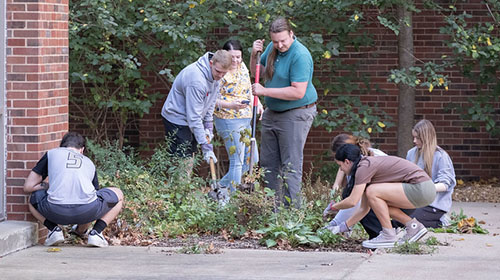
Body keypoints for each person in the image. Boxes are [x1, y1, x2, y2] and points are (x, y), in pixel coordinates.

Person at [250, 17, 318, 208]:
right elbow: (259, 73)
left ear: (291, 34)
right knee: (268, 164)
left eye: (283, 41)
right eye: (275, 41)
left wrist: (264, 92)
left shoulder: (300, 55)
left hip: (296, 113)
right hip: (273, 112)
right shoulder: (273, 50)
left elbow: (298, 92)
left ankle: (293, 214)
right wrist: (254, 55)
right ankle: (274, 210)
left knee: (290, 165)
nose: (280, 45)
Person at [325, 143, 436, 249]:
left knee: (372, 191)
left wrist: (333, 207)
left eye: (340, 166)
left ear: (347, 162)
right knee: (378, 201)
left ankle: (388, 235)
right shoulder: (365, 166)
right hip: (424, 190)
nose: (341, 170)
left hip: (421, 188)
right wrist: (342, 227)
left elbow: (353, 201)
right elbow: (364, 208)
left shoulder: (363, 167)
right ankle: (414, 226)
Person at [24, 132, 124, 247]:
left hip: (55, 211)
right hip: (87, 211)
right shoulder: (89, 162)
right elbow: (93, 195)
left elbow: (28, 187)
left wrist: (47, 185)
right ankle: (95, 233)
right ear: (82, 149)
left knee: (33, 199)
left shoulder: (52, 154)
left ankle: (54, 230)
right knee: (118, 195)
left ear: (61, 147)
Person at [161, 50, 232, 168]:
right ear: (211, 63)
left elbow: (210, 106)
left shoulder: (216, 78)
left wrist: (208, 129)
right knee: (184, 161)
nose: (220, 76)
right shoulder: (196, 80)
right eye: (218, 71)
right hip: (176, 118)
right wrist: (206, 146)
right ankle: (181, 186)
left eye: (224, 73)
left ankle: (184, 184)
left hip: (192, 118)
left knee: (190, 157)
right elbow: (194, 117)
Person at [214, 40, 263, 193]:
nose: (235, 61)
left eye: (238, 57)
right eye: (232, 57)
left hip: (245, 118)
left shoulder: (241, 67)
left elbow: (248, 86)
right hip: (228, 119)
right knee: (237, 160)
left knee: (252, 160)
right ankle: (233, 199)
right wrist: (231, 105)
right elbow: (210, 100)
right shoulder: (220, 72)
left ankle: (218, 189)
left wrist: (258, 101)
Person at [324, 134, 388, 239]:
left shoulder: (367, 161)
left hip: (394, 194)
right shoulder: (351, 161)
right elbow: (337, 184)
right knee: (355, 198)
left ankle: (382, 234)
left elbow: (354, 200)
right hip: (382, 194)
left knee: (363, 202)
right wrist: (334, 200)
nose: (340, 168)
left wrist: (336, 221)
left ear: (346, 159)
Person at [407, 119, 456, 227]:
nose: (414, 141)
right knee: (398, 215)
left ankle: (441, 222)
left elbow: (446, 184)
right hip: (415, 201)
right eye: (413, 137)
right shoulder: (411, 153)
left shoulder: (441, 156)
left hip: (434, 204)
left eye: (418, 138)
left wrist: (426, 188)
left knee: (409, 221)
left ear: (426, 138)